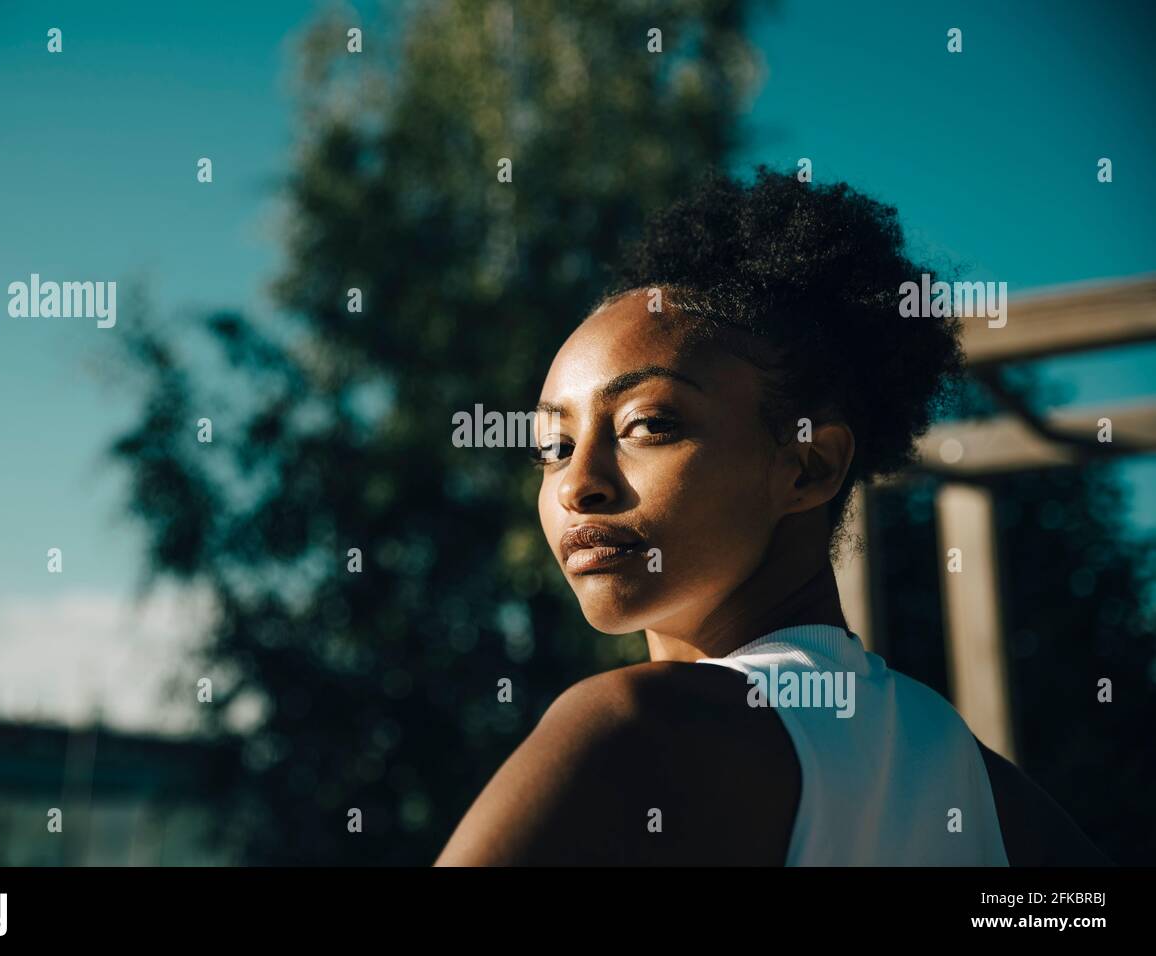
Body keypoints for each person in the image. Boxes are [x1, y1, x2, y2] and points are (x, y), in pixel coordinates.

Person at [434, 168, 1109, 866]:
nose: (578, 484)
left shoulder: (629, 730)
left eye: (648, 424)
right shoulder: (999, 799)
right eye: (553, 446)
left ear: (810, 465)